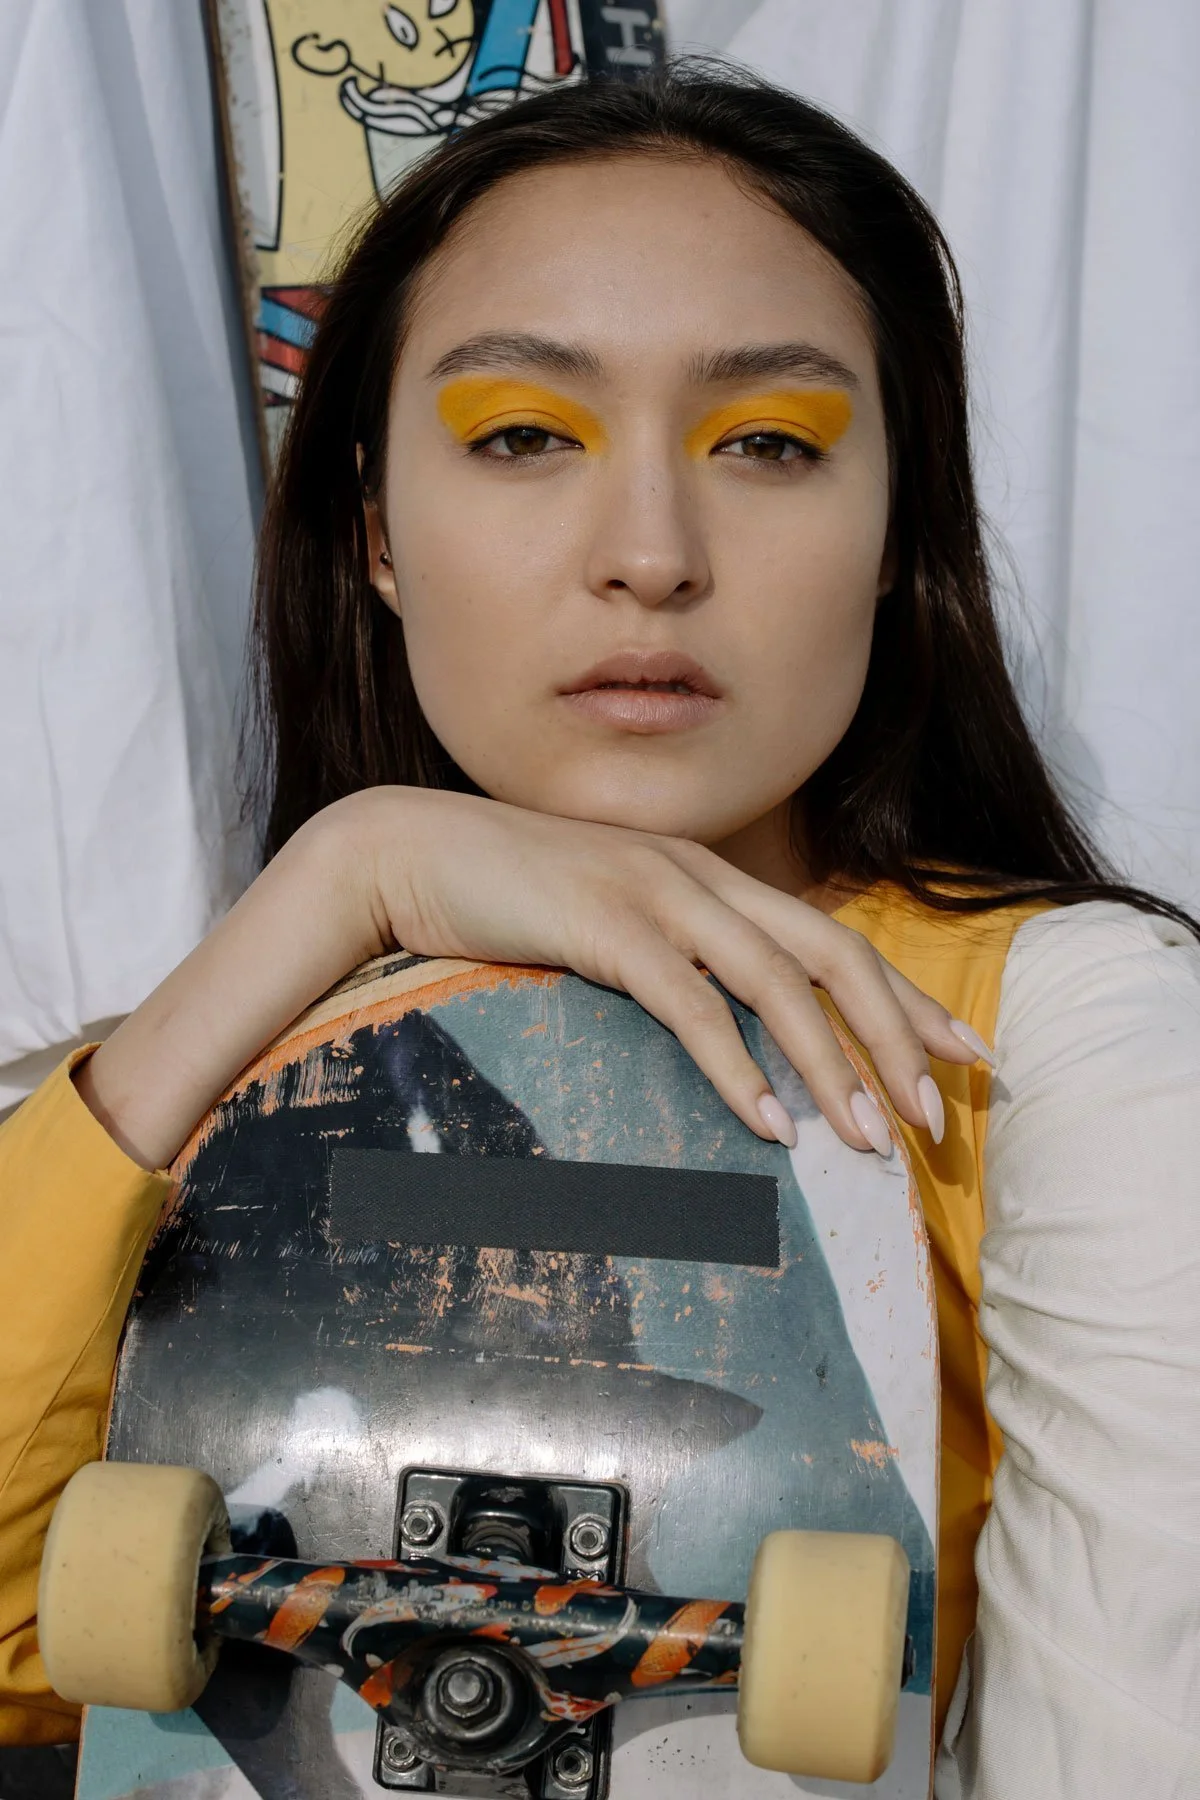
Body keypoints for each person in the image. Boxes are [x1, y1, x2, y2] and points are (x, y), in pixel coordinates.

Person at [1, 60, 1197, 1795]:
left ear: (892, 540)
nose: (649, 552)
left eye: (771, 446)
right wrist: (348, 878)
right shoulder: (241, 1051)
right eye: (522, 437)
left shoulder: (1062, 1043)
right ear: (378, 536)